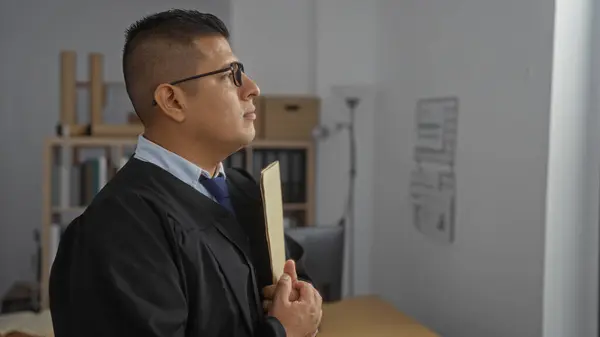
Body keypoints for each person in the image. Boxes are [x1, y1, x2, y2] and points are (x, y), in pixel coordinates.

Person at [48, 9, 322, 337]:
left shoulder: (245, 189)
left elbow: (295, 278)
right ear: (172, 101)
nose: (252, 88)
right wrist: (281, 332)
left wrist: (303, 300)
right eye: (230, 74)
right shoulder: (117, 228)